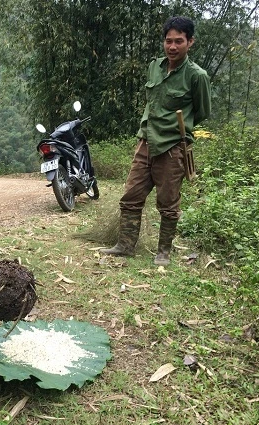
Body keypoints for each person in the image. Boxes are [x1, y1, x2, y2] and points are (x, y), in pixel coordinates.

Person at [101, 16, 211, 266]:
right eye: (168, 41)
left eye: (179, 41)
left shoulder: (197, 76)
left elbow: (202, 111)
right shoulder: (155, 67)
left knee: (168, 203)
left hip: (172, 147)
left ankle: (164, 252)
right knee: (131, 196)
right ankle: (125, 245)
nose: (172, 46)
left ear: (190, 42)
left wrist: (178, 132)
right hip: (146, 142)